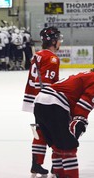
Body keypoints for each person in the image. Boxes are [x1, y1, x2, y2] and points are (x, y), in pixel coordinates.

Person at [34, 61, 94, 178]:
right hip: (54, 104)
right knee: (69, 146)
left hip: (39, 103)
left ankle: (59, 174)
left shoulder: (86, 75)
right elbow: (84, 104)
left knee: (57, 146)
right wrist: (80, 121)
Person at [22, 27, 63, 175]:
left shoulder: (37, 55)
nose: (60, 42)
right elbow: (46, 83)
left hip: (34, 100)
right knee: (56, 133)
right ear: (53, 41)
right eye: (58, 39)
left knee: (40, 132)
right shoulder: (51, 58)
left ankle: (36, 164)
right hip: (45, 101)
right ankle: (57, 166)